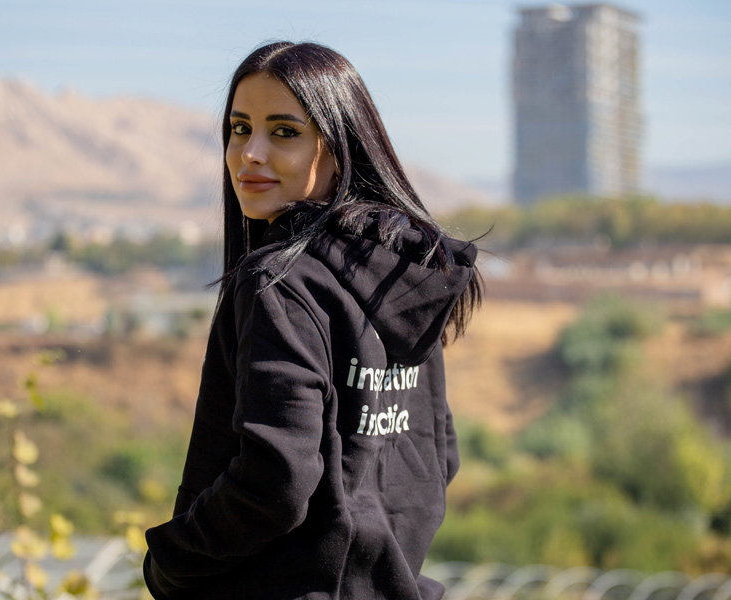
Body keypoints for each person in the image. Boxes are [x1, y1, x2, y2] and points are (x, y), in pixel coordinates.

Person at [143, 41, 481, 600]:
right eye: (238, 128)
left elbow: (276, 479)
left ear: (341, 147)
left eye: (284, 132)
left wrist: (173, 560)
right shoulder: (403, 274)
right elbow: (436, 457)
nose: (248, 153)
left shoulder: (280, 280)